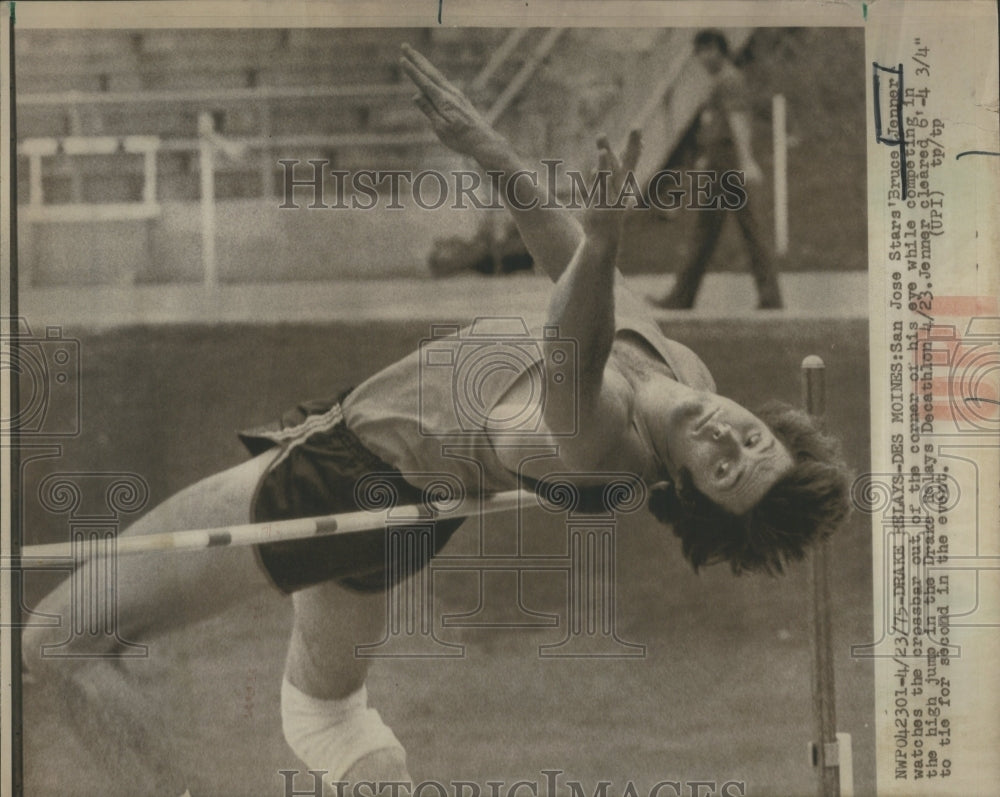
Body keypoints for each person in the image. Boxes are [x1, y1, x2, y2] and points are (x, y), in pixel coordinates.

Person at [23, 44, 849, 793]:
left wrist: (602, 248)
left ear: (690, 491)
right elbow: (565, 260)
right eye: (752, 439)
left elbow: (572, 356)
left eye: (723, 469)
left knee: (58, 640)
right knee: (329, 719)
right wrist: (488, 149)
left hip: (340, 483)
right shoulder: (685, 372)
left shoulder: (609, 453)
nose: (723, 437)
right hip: (392, 509)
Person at [649, 29, 784, 310]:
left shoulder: (728, 80)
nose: (703, 57)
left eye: (708, 49)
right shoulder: (722, 81)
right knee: (722, 232)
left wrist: (745, 160)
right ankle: (767, 297)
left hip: (727, 166)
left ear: (720, 50)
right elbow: (718, 123)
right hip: (719, 163)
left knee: (724, 233)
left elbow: (738, 120)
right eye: (699, 51)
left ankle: (682, 297)